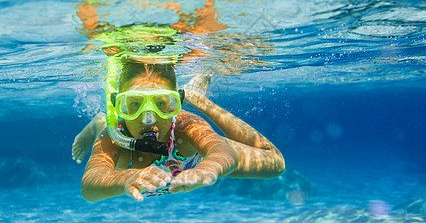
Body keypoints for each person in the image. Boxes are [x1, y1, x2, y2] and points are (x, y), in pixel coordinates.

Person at [72, 60, 285, 202]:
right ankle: (99, 120)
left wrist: (209, 168)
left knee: (275, 163)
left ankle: (198, 98)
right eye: (134, 104)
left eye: (162, 104)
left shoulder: (185, 127)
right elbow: (90, 184)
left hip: (192, 161)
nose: (149, 118)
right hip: (116, 135)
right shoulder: (114, 135)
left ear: (177, 105)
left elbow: (223, 151)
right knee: (105, 127)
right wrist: (126, 178)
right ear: (119, 106)